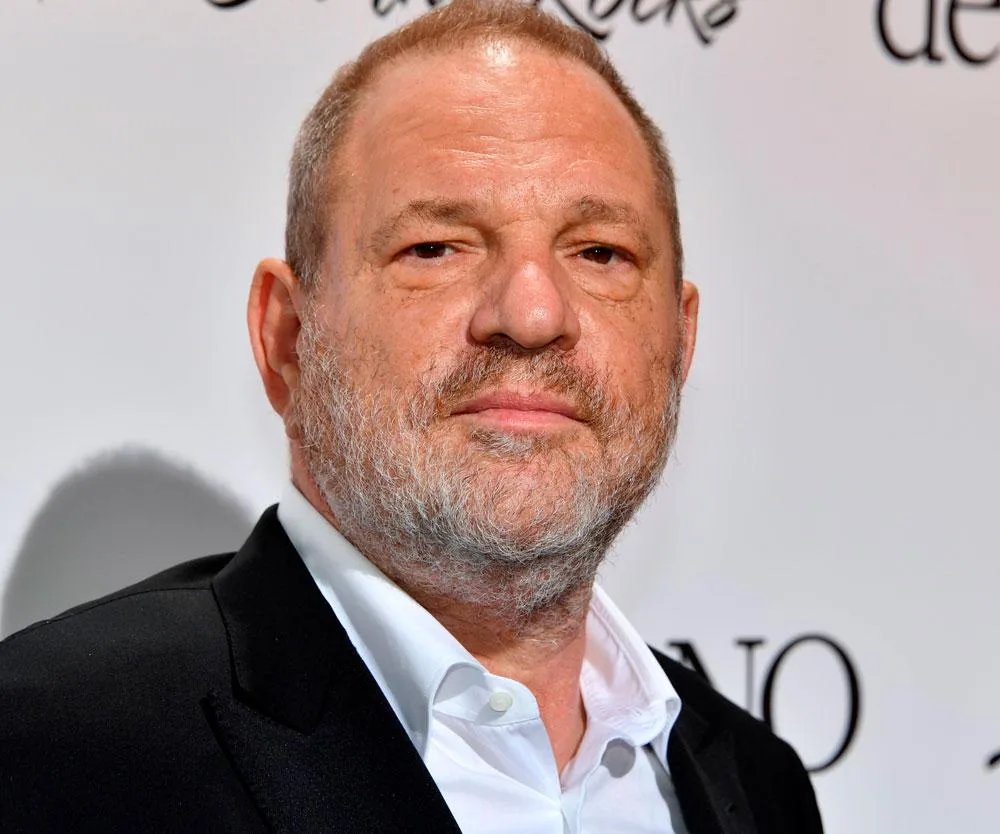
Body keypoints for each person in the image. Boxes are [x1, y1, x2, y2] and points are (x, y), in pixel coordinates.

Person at [0, 1, 823, 832]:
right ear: (288, 337)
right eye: (437, 247)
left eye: (600, 253)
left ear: (679, 344)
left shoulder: (760, 785)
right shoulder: (50, 747)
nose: (533, 313)